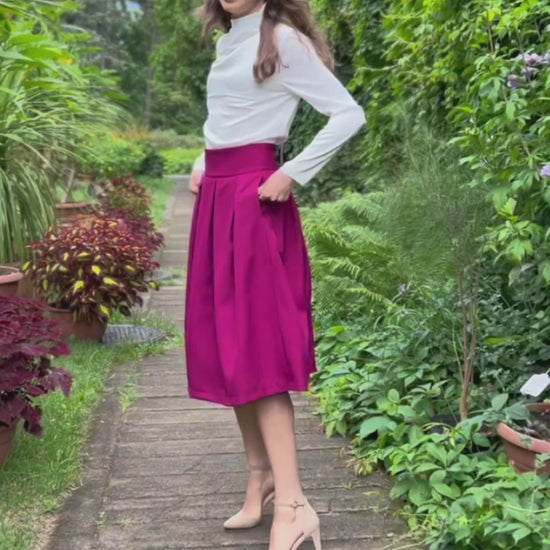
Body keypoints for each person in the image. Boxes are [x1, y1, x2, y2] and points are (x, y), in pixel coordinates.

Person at [185, 1, 365, 548]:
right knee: (229, 348)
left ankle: (294, 506)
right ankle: (259, 479)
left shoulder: (283, 39)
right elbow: (231, 118)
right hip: (217, 201)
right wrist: (203, 160)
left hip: (255, 203)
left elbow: (348, 114)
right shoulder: (227, 42)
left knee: (258, 354)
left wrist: (292, 172)